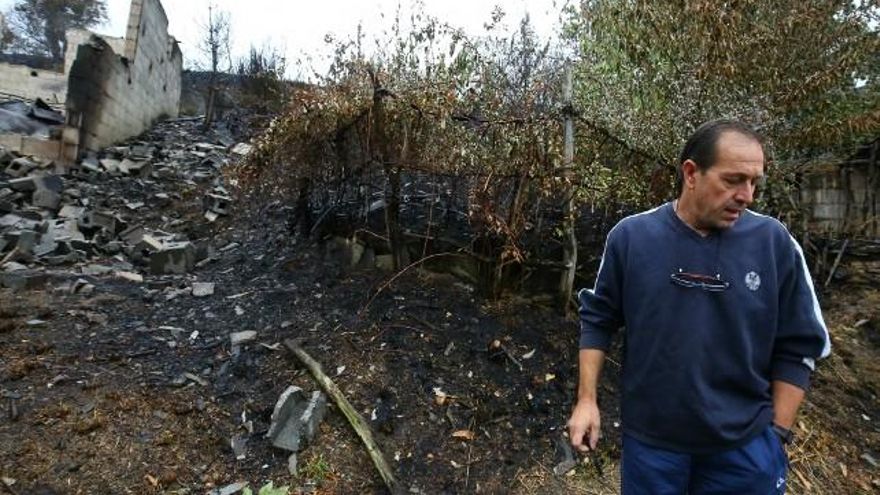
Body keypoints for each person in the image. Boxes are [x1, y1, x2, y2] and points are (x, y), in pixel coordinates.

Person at [567, 119, 831, 494]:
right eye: (733, 180)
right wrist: (587, 401)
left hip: (743, 451)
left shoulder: (774, 244)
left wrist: (776, 436)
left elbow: (801, 344)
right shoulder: (632, 238)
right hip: (652, 448)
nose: (747, 195)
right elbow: (598, 319)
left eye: (755, 182)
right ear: (691, 173)